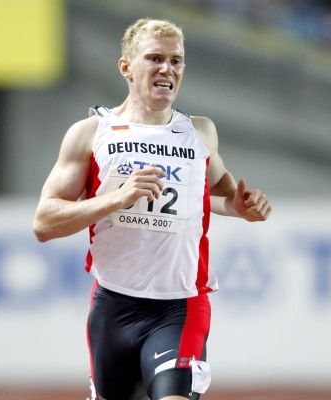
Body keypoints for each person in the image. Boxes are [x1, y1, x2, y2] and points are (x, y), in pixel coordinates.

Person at [33, 18, 271, 400]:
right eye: (155, 58)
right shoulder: (91, 133)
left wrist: (243, 206)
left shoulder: (199, 132)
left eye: (176, 61)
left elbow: (223, 194)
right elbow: (44, 223)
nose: (167, 69)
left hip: (180, 306)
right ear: (126, 67)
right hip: (113, 305)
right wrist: (115, 198)